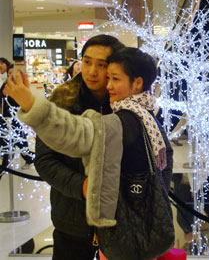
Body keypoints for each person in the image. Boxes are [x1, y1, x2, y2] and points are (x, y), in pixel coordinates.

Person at [5, 47, 174, 259]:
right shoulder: (148, 116)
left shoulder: (120, 121)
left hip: (124, 232)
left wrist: (30, 103)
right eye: (87, 62)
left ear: (137, 82)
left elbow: (73, 133)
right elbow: (166, 162)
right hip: (141, 226)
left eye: (114, 78)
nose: (108, 84)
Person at [25, 34, 124, 260]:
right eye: (87, 62)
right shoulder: (61, 101)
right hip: (72, 219)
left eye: (101, 65)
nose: (91, 71)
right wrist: (83, 187)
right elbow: (45, 160)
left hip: (121, 220)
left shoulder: (127, 103)